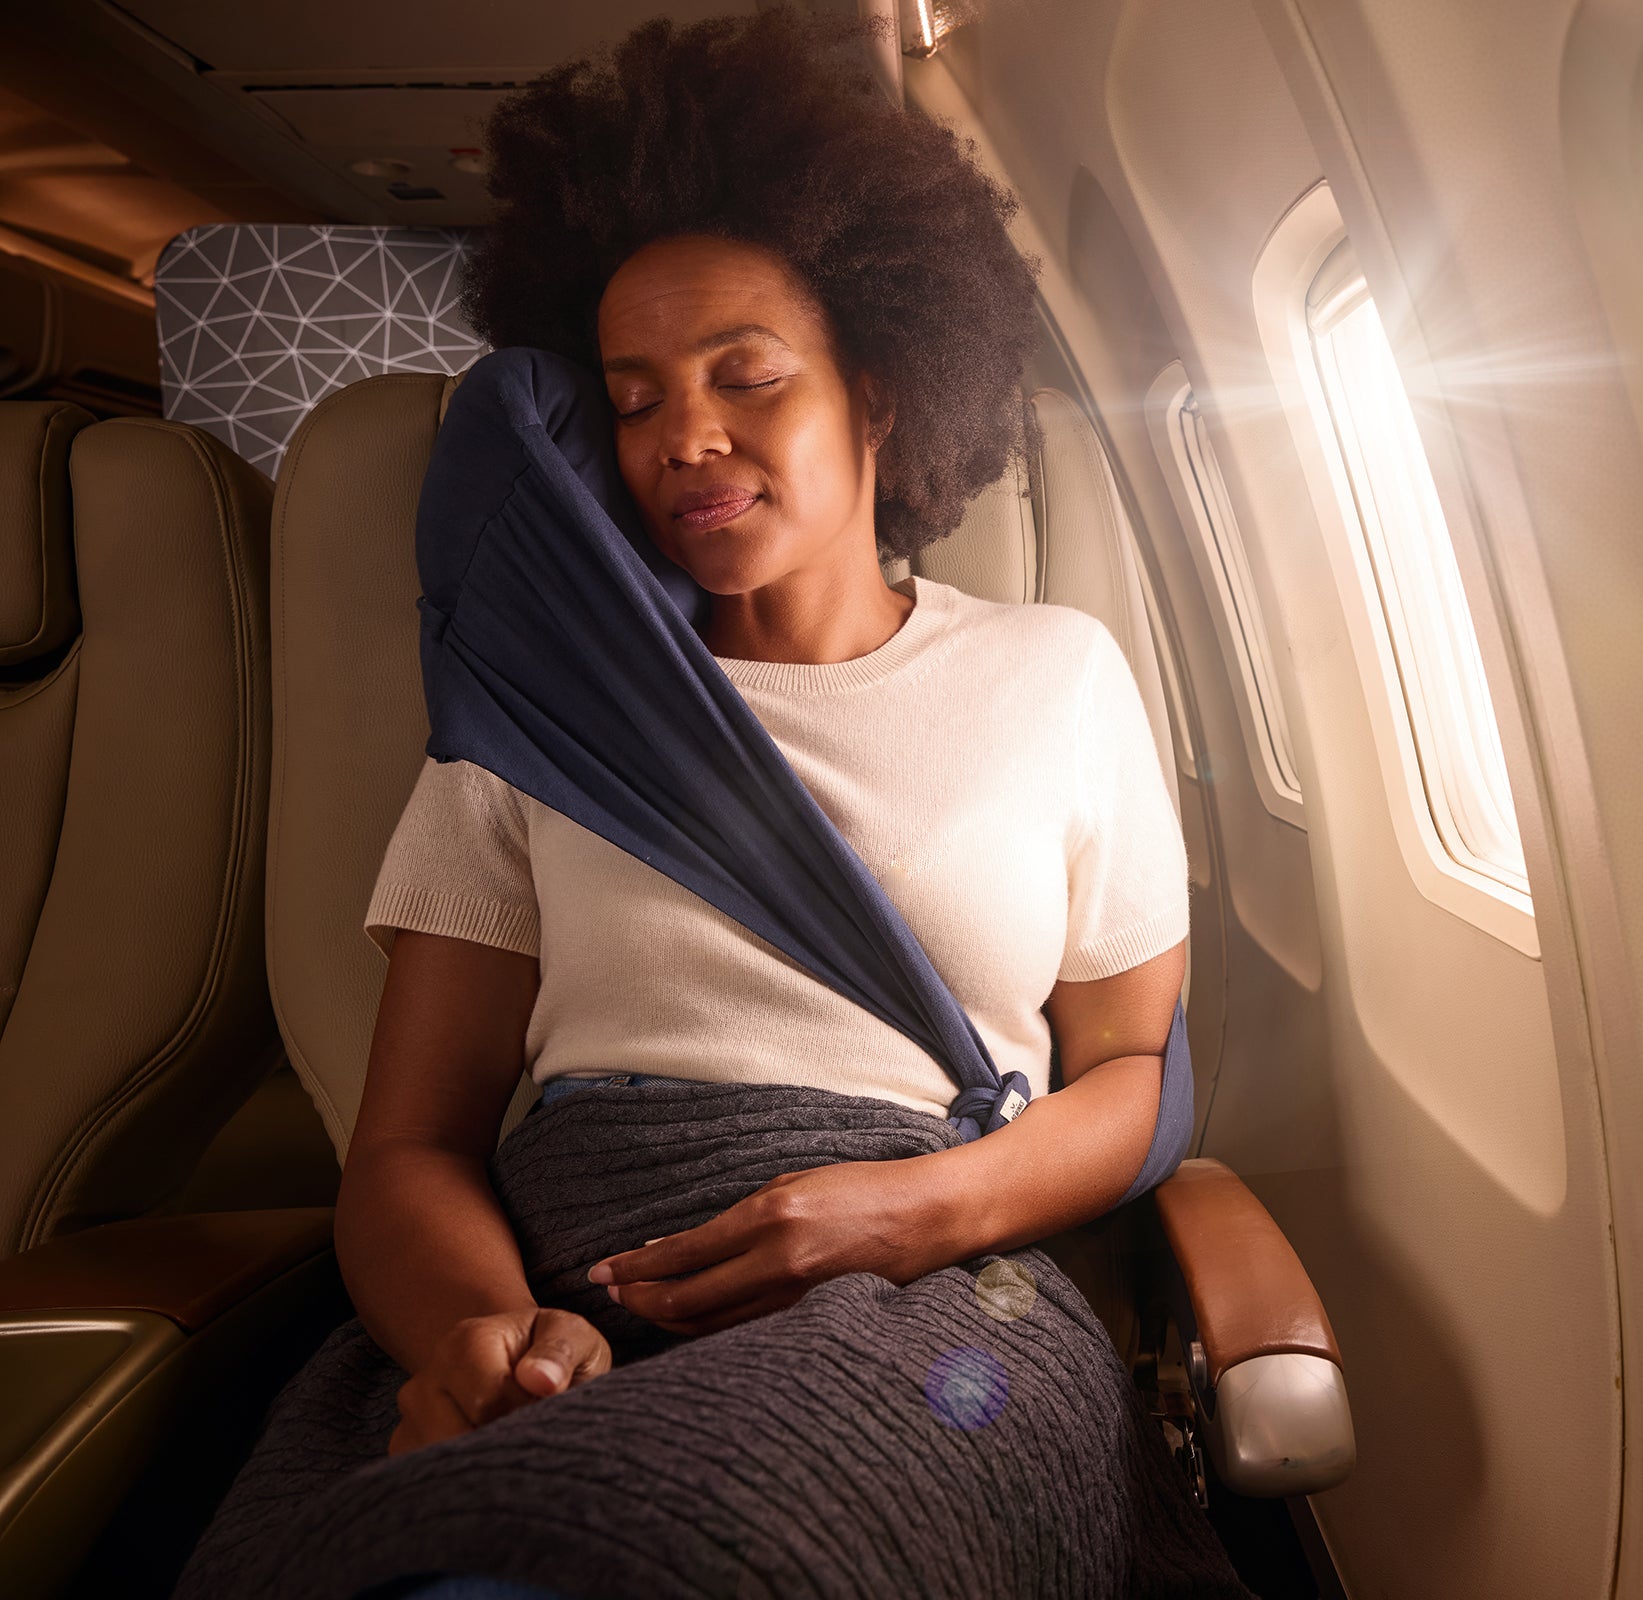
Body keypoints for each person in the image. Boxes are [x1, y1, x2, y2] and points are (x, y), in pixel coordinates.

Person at [175, 11, 1242, 1598]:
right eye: (633, 396)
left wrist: (908, 1214)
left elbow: (1129, 1081)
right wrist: (486, 1335)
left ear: (880, 389)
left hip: (922, 1284)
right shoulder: (533, 712)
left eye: (747, 376)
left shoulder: (1057, 677)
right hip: (567, 1263)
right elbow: (406, 1147)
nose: (685, 438)